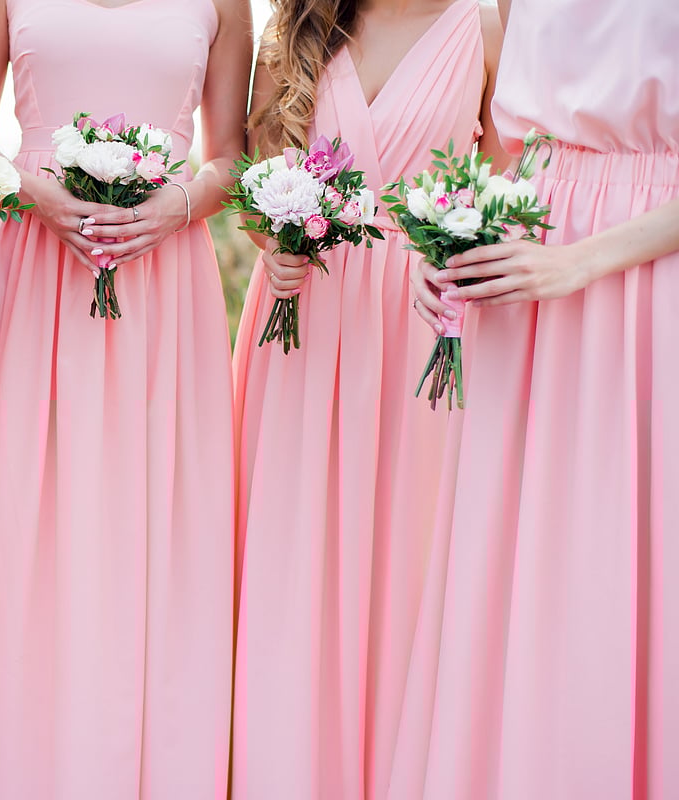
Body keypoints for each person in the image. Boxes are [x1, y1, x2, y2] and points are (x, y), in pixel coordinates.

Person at [0, 0, 251, 797]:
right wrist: (36, 193)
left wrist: (178, 205)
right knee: (31, 516)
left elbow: (232, 160)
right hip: (37, 267)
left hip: (164, 278)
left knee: (154, 520)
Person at [397, 0, 679, 797]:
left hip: (641, 286)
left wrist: (580, 264)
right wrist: (457, 240)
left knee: (627, 547)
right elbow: (510, 153)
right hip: (521, 291)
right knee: (512, 567)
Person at [231, 0, 502, 797]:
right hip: (303, 320)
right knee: (293, 555)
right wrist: (268, 243)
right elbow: (256, 179)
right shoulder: (297, 30)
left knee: (411, 558)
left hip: (425, 326)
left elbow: (519, 180)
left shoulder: (483, 28)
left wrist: (465, 252)